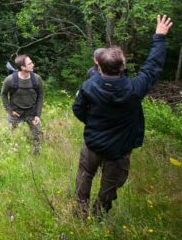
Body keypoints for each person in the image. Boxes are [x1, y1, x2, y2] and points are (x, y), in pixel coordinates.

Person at [72, 15, 173, 218]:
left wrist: (92, 123)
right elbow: (152, 67)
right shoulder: (134, 89)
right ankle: (99, 215)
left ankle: (80, 211)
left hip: (93, 142)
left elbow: (78, 109)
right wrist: (159, 37)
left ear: (98, 67)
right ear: (122, 67)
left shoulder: (89, 86)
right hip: (119, 149)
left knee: (85, 175)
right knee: (110, 185)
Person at [1, 54, 44, 155]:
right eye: (30, 63)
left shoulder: (37, 79)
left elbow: (40, 96)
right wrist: (10, 111)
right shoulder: (10, 80)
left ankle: (36, 156)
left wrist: (38, 114)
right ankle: (10, 154)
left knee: (37, 136)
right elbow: (3, 94)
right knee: (9, 137)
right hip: (16, 113)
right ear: (23, 67)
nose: (33, 65)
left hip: (32, 113)